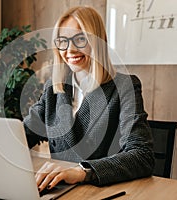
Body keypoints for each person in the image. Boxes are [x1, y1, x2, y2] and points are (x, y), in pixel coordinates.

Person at [23, 6, 154, 192]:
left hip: (101, 191)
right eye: (63, 41)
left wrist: (82, 171)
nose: (70, 49)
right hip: (59, 191)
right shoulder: (54, 88)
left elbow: (142, 156)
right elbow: (23, 134)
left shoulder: (125, 86)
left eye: (80, 39)